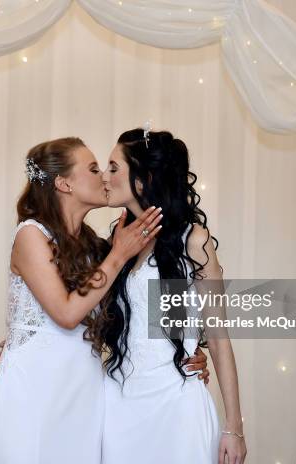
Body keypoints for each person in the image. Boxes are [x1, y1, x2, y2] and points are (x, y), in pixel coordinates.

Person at [0, 136, 163, 464]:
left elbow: (134, 308)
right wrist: (119, 254)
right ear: (64, 183)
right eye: (94, 169)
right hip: (34, 389)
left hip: (85, 391)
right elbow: (66, 313)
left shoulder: (96, 246)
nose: (104, 177)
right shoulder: (31, 235)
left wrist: (185, 354)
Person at [93, 128, 247, 464]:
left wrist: (233, 428)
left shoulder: (193, 241)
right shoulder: (118, 242)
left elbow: (218, 338)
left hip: (177, 409)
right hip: (119, 407)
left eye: (114, 168)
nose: (104, 176)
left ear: (143, 179)